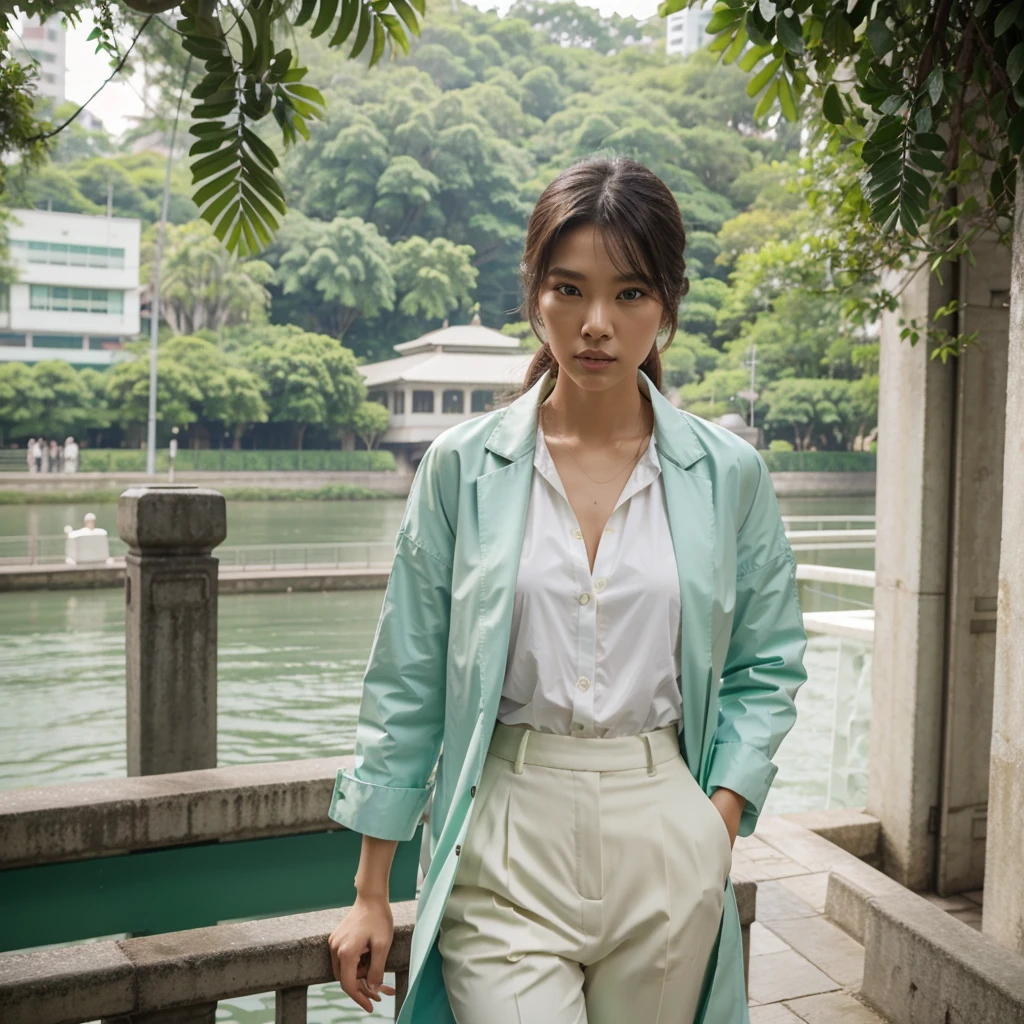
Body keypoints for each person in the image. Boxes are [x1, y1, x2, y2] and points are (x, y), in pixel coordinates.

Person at [327, 156, 808, 1024]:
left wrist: (718, 816)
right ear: (533, 293)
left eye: (629, 294)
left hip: (666, 820)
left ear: (667, 303)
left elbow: (766, 663)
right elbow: (406, 681)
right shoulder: (462, 470)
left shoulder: (727, 474)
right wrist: (371, 889)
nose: (596, 325)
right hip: (506, 829)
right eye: (569, 289)